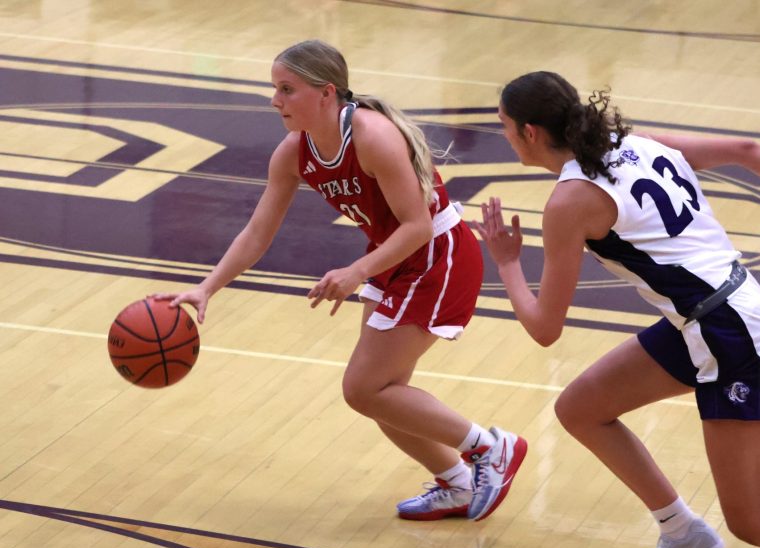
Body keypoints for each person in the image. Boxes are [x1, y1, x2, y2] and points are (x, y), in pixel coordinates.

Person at [155, 39, 527, 522]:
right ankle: (456, 481)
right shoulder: (293, 153)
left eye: (287, 89)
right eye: (275, 89)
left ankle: (490, 449)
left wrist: (356, 272)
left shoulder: (372, 136)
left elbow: (417, 225)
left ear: (326, 93)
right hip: (393, 258)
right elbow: (257, 232)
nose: (275, 100)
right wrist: (207, 287)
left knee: (364, 388)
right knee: (383, 396)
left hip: (438, 255)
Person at [476, 70, 760, 548]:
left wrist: (507, 264)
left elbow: (545, 329)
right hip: (723, 309)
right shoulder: (632, 141)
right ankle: (683, 533)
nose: (503, 135)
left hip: (726, 333)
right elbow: (746, 150)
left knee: (752, 523)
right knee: (581, 409)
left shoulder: (569, 201)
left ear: (529, 132)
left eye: (504, 125)